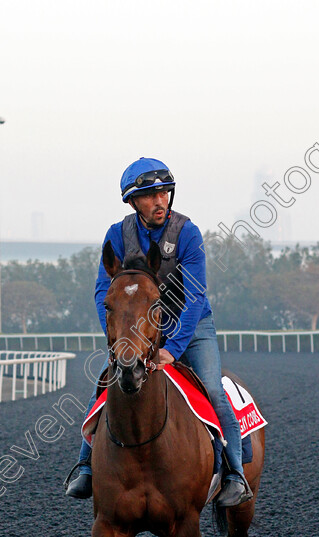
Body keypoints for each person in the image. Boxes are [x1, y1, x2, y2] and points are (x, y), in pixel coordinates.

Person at [64, 157, 253, 507]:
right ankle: (86, 468)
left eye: (165, 192)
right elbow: (102, 292)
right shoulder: (116, 235)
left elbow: (196, 294)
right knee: (105, 385)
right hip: (136, 332)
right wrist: (120, 335)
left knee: (212, 387)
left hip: (191, 327)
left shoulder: (187, 233)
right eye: (151, 195)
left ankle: (234, 473)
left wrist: (174, 346)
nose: (160, 201)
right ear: (133, 202)